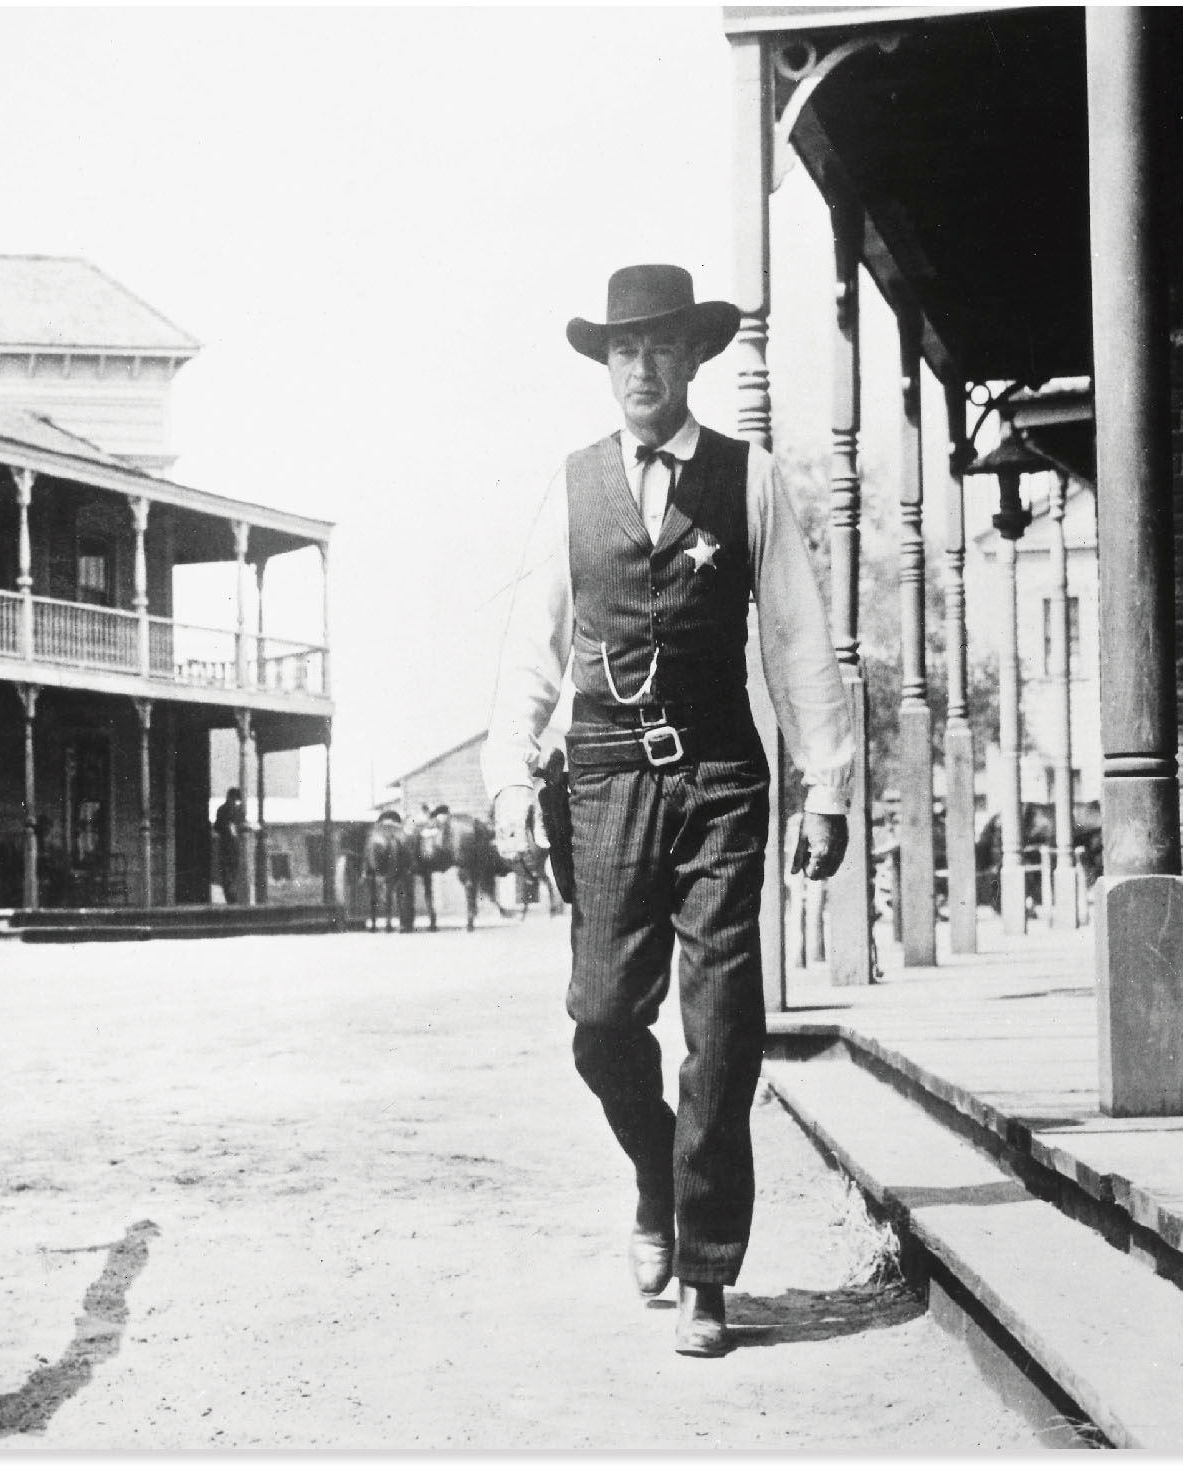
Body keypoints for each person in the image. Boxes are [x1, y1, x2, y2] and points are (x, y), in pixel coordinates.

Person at [484, 264, 853, 1357]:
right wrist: (511, 778)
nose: (641, 368)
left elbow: (794, 636)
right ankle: (655, 1169)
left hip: (723, 779)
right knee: (601, 1022)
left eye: (659, 348)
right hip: (601, 777)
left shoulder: (749, 480)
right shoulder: (571, 486)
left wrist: (824, 786)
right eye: (622, 350)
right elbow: (531, 645)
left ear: (694, 359)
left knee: (724, 1031)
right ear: (605, 366)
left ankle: (706, 1270)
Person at [212, 786, 244, 903]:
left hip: (224, 845)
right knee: (234, 870)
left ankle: (230, 897)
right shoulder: (238, 811)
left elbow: (217, 827)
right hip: (235, 846)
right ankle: (233, 896)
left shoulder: (221, 809)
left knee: (226, 872)